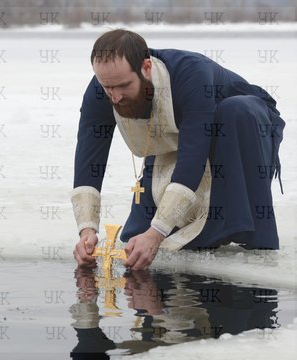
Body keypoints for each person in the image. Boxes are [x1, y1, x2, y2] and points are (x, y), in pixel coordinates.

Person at [71, 29, 285, 270]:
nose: (116, 97)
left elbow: (192, 157)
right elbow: (89, 159)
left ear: (146, 67)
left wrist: (156, 233)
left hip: (240, 126)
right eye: (107, 87)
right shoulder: (103, 88)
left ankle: (243, 232)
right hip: (173, 138)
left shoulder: (192, 75)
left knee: (236, 110)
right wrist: (86, 230)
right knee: (138, 236)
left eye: (123, 86)